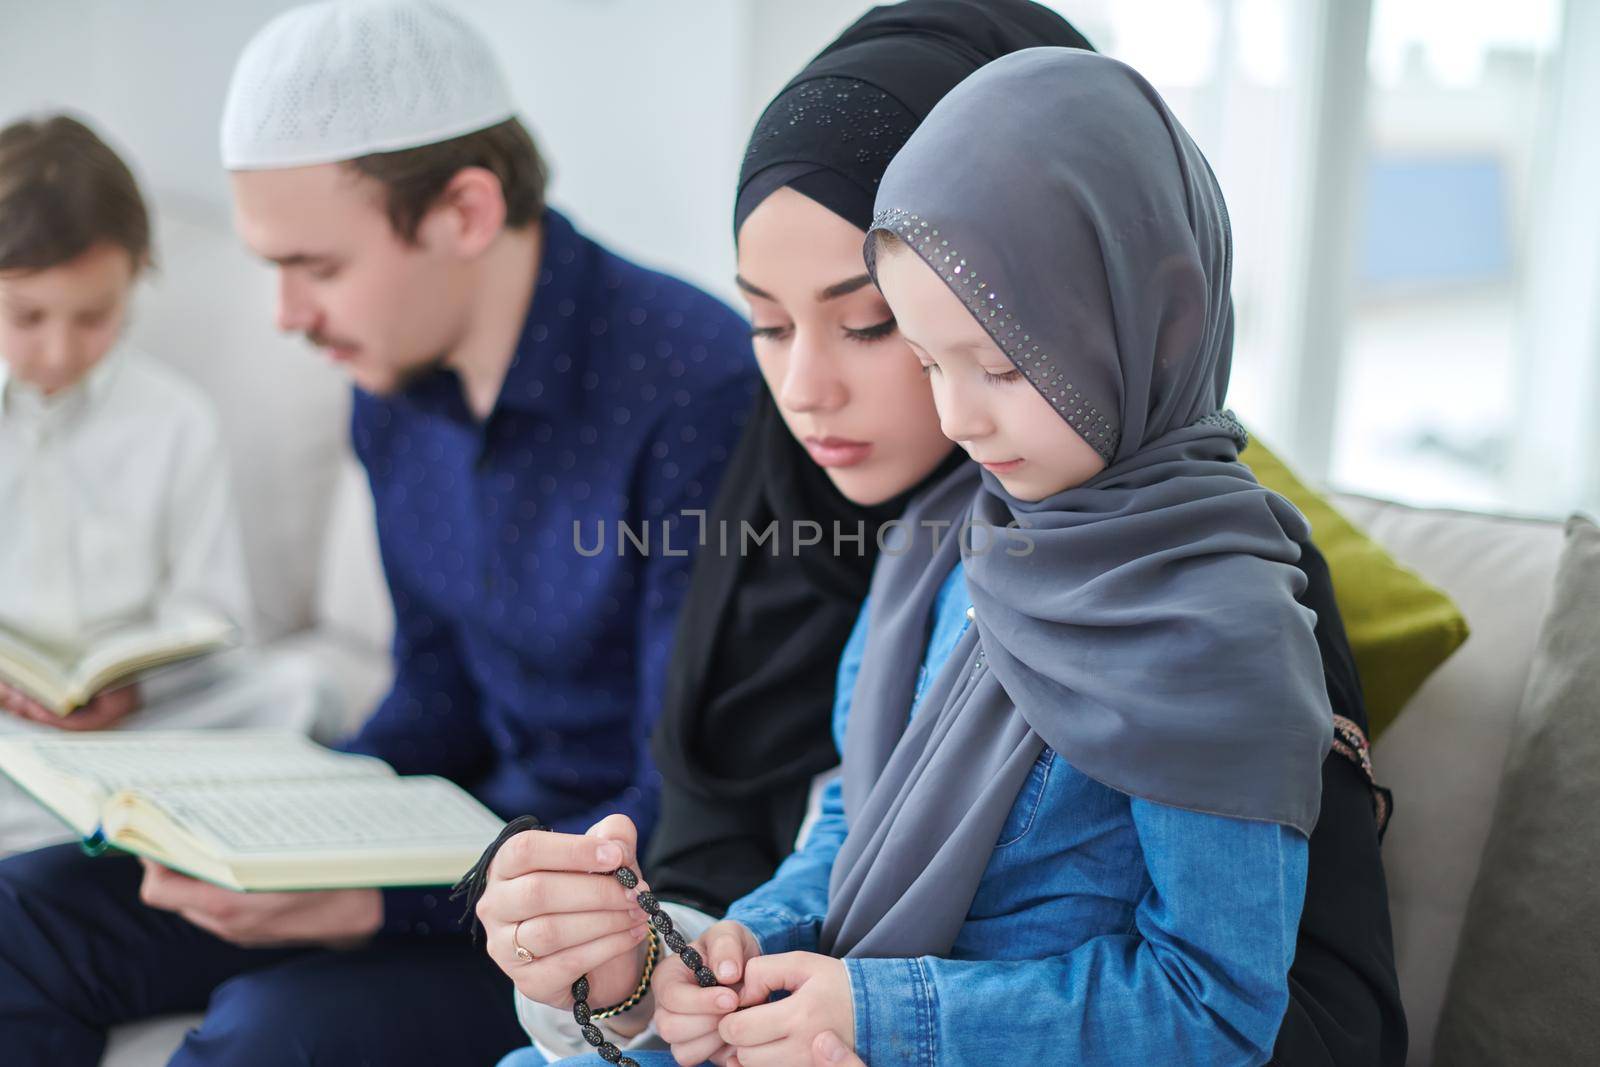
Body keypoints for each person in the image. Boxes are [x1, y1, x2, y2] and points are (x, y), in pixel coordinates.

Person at [482, 8, 1402, 1067]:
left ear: (1133, 318)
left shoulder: (1214, 604)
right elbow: (846, 826)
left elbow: (1238, 1005)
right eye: (766, 326)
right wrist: (700, 959)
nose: (804, 390)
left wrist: (885, 1015)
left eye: (870, 325)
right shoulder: (932, 541)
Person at [0, 3, 754, 1064]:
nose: (284, 313)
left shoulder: (695, 390)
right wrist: (272, 833)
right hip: (447, 850)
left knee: (267, 1035)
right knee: (24, 910)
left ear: (465, 210)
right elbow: (436, 698)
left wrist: (373, 901)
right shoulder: (390, 378)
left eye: (315, 265)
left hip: (581, 912)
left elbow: (687, 799)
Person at [0, 113, 338, 855]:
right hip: (7, 717)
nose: (60, 349)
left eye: (94, 317)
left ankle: (102, 801)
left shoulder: (176, 420)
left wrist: (136, 688)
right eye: (26, 316)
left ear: (138, 275)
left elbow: (213, 613)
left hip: (141, 712)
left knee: (291, 689)